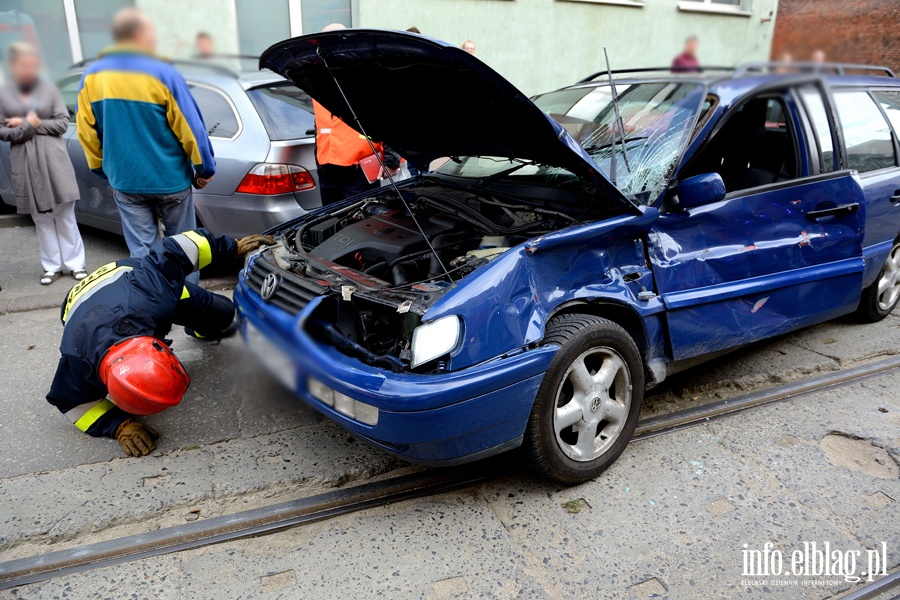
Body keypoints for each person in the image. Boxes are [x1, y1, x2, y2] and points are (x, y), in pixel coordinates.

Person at [46, 229, 274, 457]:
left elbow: (177, 248)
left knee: (222, 312)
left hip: (126, 277)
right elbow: (71, 403)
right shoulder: (77, 361)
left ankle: (203, 327)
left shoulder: (153, 293)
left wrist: (231, 247)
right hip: (73, 303)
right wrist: (119, 426)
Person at [75, 8, 215, 273]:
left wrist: (102, 168)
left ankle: (151, 308)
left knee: (142, 254)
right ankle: (186, 306)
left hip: (126, 181)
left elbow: (87, 133)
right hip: (170, 179)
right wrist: (204, 167)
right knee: (184, 248)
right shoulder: (163, 73)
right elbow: (191, 128)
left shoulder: (91, 77)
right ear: (140, 35)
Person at [0, 43, 86, 285]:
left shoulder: (48, 90)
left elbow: (61, 124)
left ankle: (76, 264)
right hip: (25, 164)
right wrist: (28, 125)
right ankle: (51, 266)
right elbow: (2, 131)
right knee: (41, 218)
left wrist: (32, 123)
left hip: (53, 162)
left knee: (64, 213)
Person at [314, 23, 400, 205]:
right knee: (328, 220)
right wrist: (320, 156)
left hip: (359, 168)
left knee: (361, 222)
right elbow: (320, 123)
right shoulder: (317, 79)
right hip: (328, 167)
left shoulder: (365, 76)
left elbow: (389, 117)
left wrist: (391, 160)